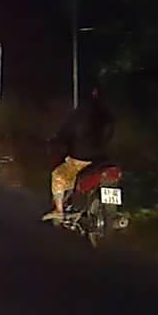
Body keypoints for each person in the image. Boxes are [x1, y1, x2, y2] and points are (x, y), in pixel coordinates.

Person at [42, 86, 115, 222]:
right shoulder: (107, 115)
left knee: (58, 175)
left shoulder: (79, 114)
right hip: (101, 160)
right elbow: (110, 134)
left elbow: (65, 133)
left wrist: (57, 140)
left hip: (80, 160)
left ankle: (59, 210)